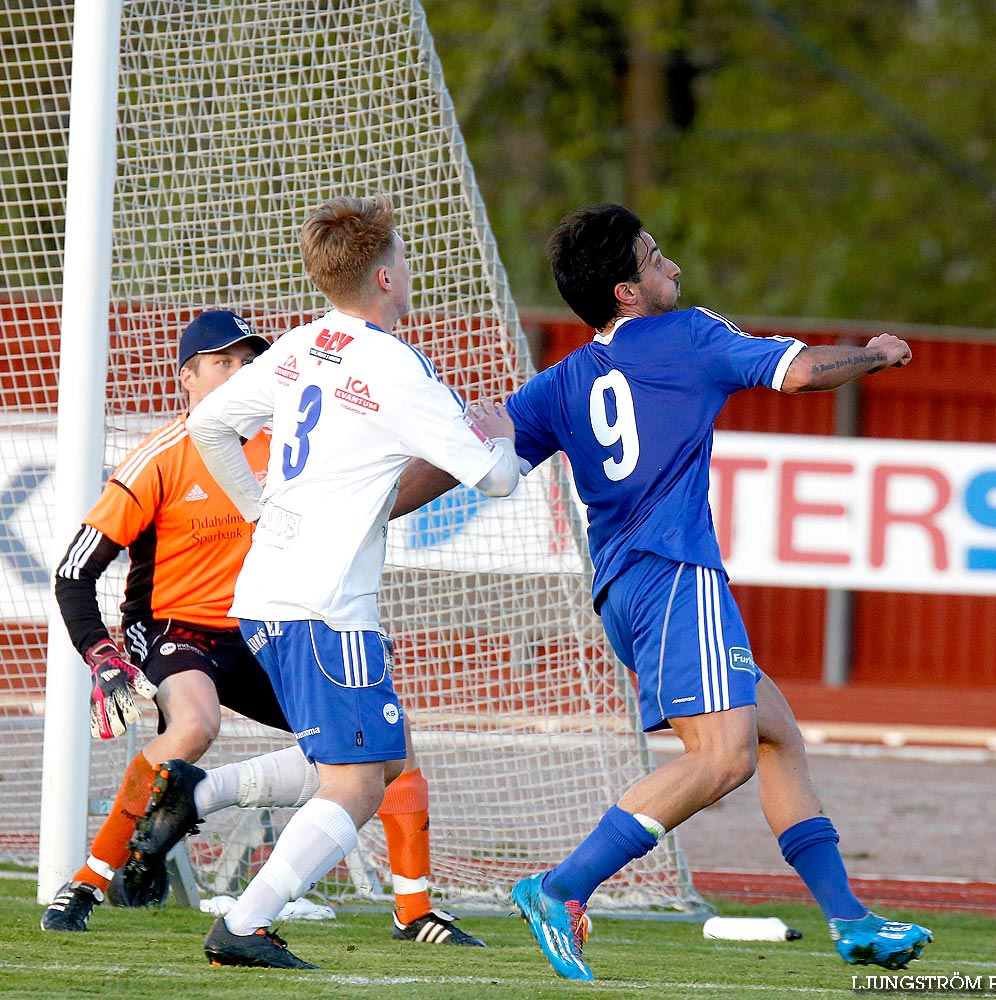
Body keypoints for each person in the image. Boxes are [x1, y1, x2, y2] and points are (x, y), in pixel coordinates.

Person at [501, 205, 933, 980]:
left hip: (621, 593)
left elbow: (487, 455)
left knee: (775, 737)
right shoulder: (687, 333)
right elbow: (798, 372)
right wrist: (874, 354)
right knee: (723, 757)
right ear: (626, 292)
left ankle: (850, 920)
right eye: (655, 256)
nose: (671, 266)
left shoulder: (557, 383)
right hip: (674, 573)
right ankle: (560, 886)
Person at [44, 311, 484, 951]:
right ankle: (88, 880)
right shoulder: (161, 456)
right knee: (194, 725)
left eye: (249, 360)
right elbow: (72, 572)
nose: (239, 372)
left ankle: (413, 910)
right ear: (186, 380)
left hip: (266, 625)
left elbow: (379, 497)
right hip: (175, 629)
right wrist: (103, 656)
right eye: (221, 362)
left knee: (392, 751)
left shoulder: (290, 445)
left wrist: (461, 457)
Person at [186, 193, 519, 969]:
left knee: (369, 761)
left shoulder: (301, 345)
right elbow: (495, 479)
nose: (409, 267)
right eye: (401, 256)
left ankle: (195, 805)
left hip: (270, 590)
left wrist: (257, 507)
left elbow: (209, 423)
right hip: (328, 605)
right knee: (359, 781)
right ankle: (243, 922)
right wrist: (495, 431)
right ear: (382, 275)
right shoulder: (395, 366)